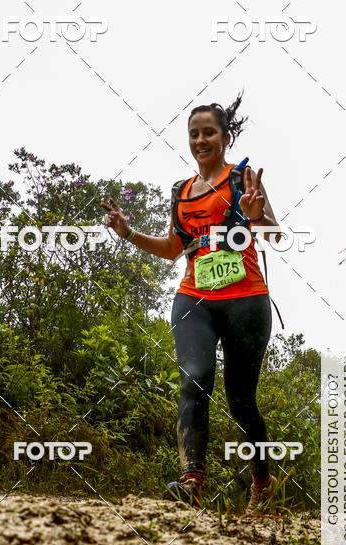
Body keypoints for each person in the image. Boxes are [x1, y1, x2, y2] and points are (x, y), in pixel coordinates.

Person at [101, 93, 280, 514]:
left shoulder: (243, 179)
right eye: (194, 134)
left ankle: (262, 480)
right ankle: (192, 485)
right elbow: (171, 249)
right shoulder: (181, 192)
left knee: (241, 400)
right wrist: (128, 234)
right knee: (194, 377)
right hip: (193, 298)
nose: (201, 140)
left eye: (209, 133)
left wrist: (256, 215)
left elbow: (273, 235)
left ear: (226, 137)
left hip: (246, 299)